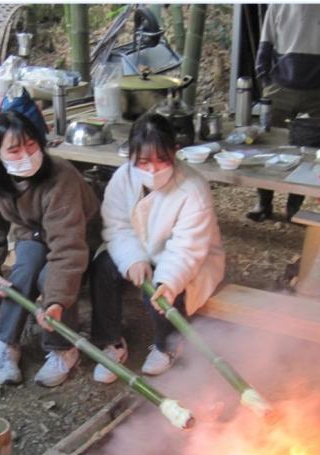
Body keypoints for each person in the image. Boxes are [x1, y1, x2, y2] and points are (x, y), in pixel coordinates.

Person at [90, 113, 225, 383]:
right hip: (137, 247)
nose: (152, 170)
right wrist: (132, 259)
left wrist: (169, 280)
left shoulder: (193, 188)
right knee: (102, 268)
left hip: (185, 258)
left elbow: (187, 248)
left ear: (174, 152)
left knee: (164, 291)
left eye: (161, 160)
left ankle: (166, 345)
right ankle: (111, 341)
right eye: (143, 161)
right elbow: (117, 226)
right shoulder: (122, 178)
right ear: (131, 156)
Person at [0, 110, 100, 387]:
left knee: (53, 280)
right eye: (14, 150)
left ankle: (62, 347)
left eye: (31, 145)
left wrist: (55, 301)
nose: (26, 155)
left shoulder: (61, 175)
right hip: (31, 232)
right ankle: (6, 344)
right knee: (24, 271)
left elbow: (68, 247)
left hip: (78, 236)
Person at [246, 4, 320, 222]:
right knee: (269, 144)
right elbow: (265, 46)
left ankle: (294, 207)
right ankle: (264, 202)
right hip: (280, 88)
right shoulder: (278, 6)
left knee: (311, 150)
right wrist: (265, 80)